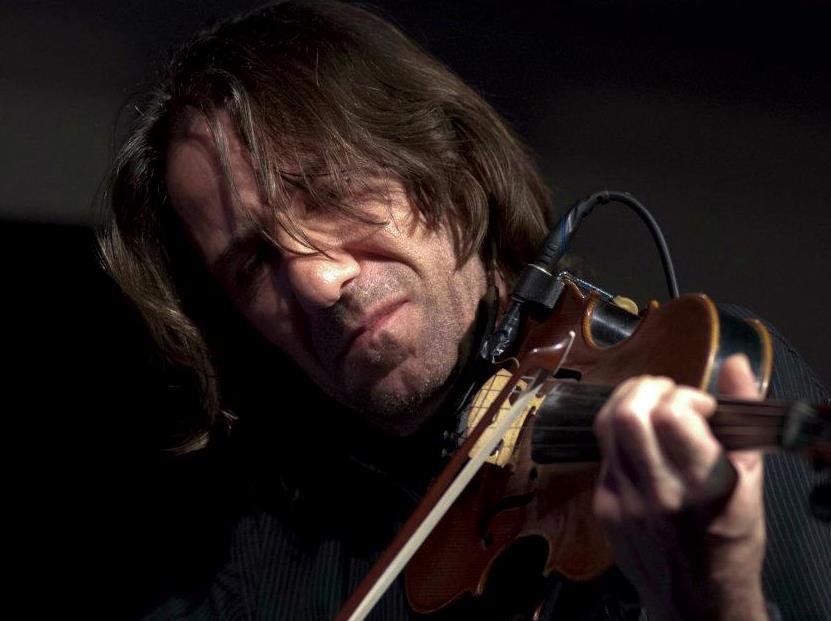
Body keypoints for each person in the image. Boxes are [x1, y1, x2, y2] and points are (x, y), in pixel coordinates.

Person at [98, 1, 830, 619]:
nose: (318, 280)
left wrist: (713, 596)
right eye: (254, 264)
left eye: (329, 192)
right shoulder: (257, 557)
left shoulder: (703, 380)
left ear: (449, 161)